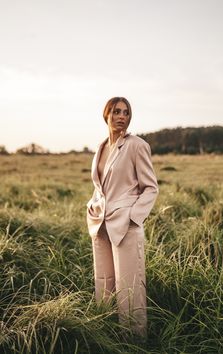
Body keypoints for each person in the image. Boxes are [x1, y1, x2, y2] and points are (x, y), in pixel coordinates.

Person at [86, 97, 159, 337]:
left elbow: (151, 188)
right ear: (106, 114)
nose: (121, 116)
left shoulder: (137, 145)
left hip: (126, 226)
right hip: (100, 224)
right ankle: (106, 335)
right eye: (116, 111)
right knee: (104, 283)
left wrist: (133, 217)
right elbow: (102, 185)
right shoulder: (100, 147)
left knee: (130, 288)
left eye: (126, 112)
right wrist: (93, 204)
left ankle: (135, 341)